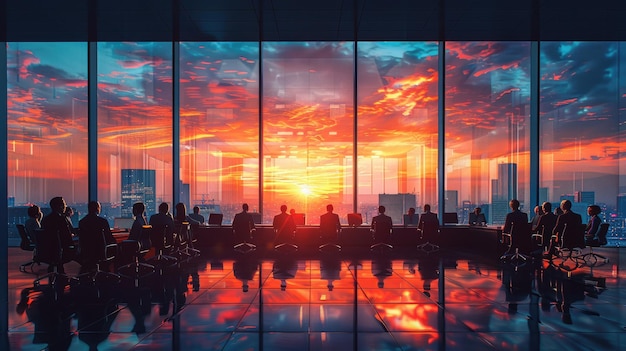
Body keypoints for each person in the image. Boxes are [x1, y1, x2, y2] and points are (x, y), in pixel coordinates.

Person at [40, 196, 76, 273]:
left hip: (47, 251)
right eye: (64, 204)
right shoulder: (61, 219)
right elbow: (68, 238)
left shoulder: (45, 219)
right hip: (60, 251)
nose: (65, 206)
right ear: (60, 206)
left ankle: (60, 274)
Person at [78, 201, 116, 273]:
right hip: (100, 252)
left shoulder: (82, 222)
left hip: (86, 252)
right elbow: (109, 237)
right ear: (98, 209)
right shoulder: (102, 221)